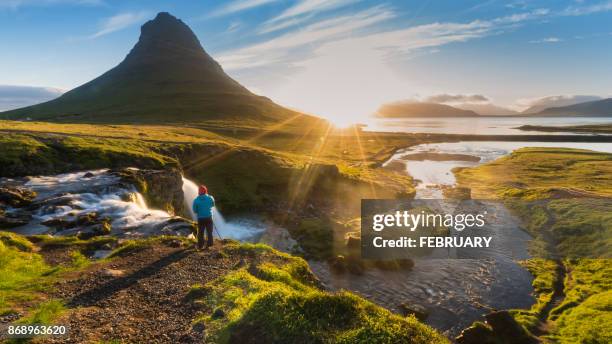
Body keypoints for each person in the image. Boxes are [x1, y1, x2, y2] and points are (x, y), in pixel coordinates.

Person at [192, 185, 215, 250]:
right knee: (209, 231)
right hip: (209, 217)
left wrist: (200, 210)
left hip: (201, 218)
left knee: (201, 232)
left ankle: (200, 245)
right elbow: (213, 205)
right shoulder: (210, 198)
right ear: (206, 191)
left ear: (199, 192)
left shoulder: (196, 200)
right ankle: (210, 244)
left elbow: (194, 210)